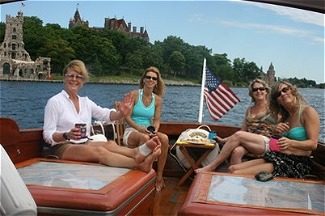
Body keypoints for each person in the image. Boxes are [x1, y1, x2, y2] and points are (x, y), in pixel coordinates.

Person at [43, 60, 161, 172]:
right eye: (71, 76)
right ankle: (140, 165)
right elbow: (48, 136)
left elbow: (105, 115)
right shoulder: (55, 102)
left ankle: (136, 152)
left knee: (110, 144)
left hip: (83, 142)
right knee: (99, 151)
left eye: (78, 77)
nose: (74, 79)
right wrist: (66, 135)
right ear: (64, 77)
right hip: (61, 147)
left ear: (83, 81)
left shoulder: (85, 102)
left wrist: (121, 113)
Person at [229, 81, 319, 178]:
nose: (283, 94)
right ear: (277, 101)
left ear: (293, 90)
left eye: (285, 90)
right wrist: (276, 132)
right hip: (280, 155)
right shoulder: (286, 117)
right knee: (232, 169)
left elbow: (313, 144)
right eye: (278, 94)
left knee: (236, 174)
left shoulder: (307, 111)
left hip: (297, 162)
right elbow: (277, 141)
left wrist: (291, 143)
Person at [195, 79, 276, 173]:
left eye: (261, 89)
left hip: (266, 143)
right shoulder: (249, 110)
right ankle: (234, 180)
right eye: (255, 89)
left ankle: (212, 166)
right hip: (251, 142)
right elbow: (243, 130)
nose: (258, 91)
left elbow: (284, 125)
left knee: (239, 136)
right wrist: (223, 140)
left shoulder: (273, 109)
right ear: (252, 93)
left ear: (266, 91)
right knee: (237, 151)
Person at [123, 66, 169, 192]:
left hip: (148, 131)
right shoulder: (134, 95)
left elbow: (156, 120)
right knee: (144, 137)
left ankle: (159, 176)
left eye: (153, 78)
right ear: (143, 79)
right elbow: (126, 117)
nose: (150, 79)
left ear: (156, 82)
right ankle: (141, 178)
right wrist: (139, 128)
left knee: (164, 138)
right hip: (132, 131)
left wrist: (154, 130)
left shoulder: (158, 100)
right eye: (148, 77)